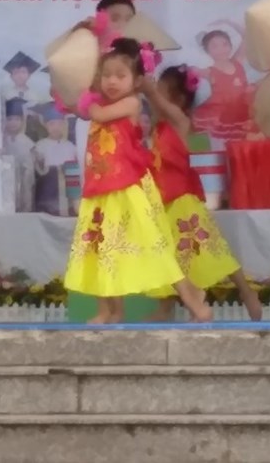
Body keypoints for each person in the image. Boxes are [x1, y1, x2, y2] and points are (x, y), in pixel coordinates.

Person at [64, 38, 212, 324]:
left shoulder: (131, 103)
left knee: (154, 246)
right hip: (100, 189)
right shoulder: (100, 102)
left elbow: (96, 113)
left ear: (136, 81)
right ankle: (108, 311)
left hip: (128, 188)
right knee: (100, 248)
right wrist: (69, 94)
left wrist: (83, 96)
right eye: (106, 75)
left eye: (120, 76)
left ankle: (194, 300)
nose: (112, 81)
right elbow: (82, 109)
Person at [142, 65, 263, 321]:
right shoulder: (156, 127)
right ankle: (167, 307)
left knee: (210, 248)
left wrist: (149, 90)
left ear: (178, 100)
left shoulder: (180, 122)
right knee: (170, 254)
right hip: (162, 202)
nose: (155, 98)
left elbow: (160, 104)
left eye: (161, 92)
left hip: (182, 199)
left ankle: (246, 292)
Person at [191, 26, 256, 145]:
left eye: (225, 44)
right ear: (207, 51)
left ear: (230, 46)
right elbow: (190, 72)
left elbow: (246, 37)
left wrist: (227, 21)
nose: (221, 49)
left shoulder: (237, 62)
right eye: (214, 46)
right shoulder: (209, 72)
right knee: (212, 148)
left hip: (241, 117)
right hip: (219, 120)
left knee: (240, 149)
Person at [31, 103, 78, 215]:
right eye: (52, 124)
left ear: (64, 125)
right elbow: (37, 171)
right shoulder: (40, 146)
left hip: (67, 193)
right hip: (47, 192)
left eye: (59, 124)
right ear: (45, 125)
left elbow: (75, 174)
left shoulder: (71, 147)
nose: (56, 128)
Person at [3, 97, 35, 212]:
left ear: (22, 121)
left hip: (23, 179)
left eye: (17, 119)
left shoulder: (27, 142)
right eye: (9, 119)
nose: (13, 123)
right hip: (6, 179)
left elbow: (30, 166)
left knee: (25, 198)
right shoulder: (1, 141)